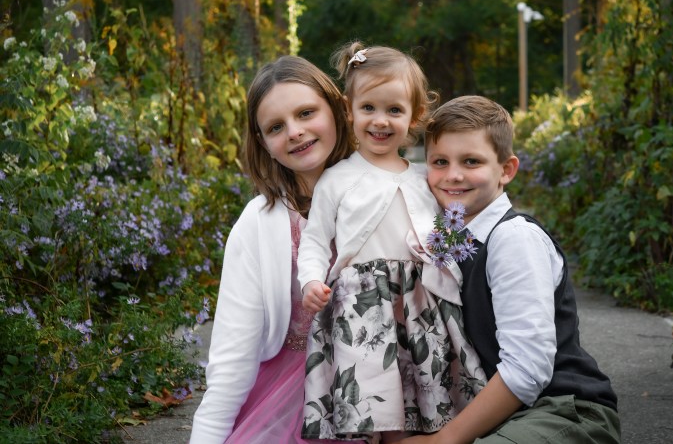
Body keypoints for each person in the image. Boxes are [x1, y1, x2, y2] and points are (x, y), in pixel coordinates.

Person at [403, 95, 620, 443]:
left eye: (471, 161)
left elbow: (527, 369)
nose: (453, 175)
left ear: (506, 170)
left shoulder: (513, 238)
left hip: (561, 409)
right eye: (440, 162)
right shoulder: (446, 238)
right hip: (496, 415)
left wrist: (441, 441)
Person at [298, 43, 486, 443]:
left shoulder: (422, 177)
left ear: (414, 116)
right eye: (368, 107)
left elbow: (445, 233)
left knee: (416, 400)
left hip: (419, 304)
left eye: (394, 110)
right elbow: (314, 239)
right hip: (362, 308)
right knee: (370, 405)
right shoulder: (338, 178)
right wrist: (311, 280)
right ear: (349, 109)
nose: (380, 120)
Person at [189, 55, 356, 444]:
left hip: (384, 383)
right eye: (276, 127)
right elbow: (233, 353)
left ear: (337, 110)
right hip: (292, 399)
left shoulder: (387, 194)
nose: (295, 131)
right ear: (263, 142)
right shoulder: (259, 224)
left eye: (306, 113)